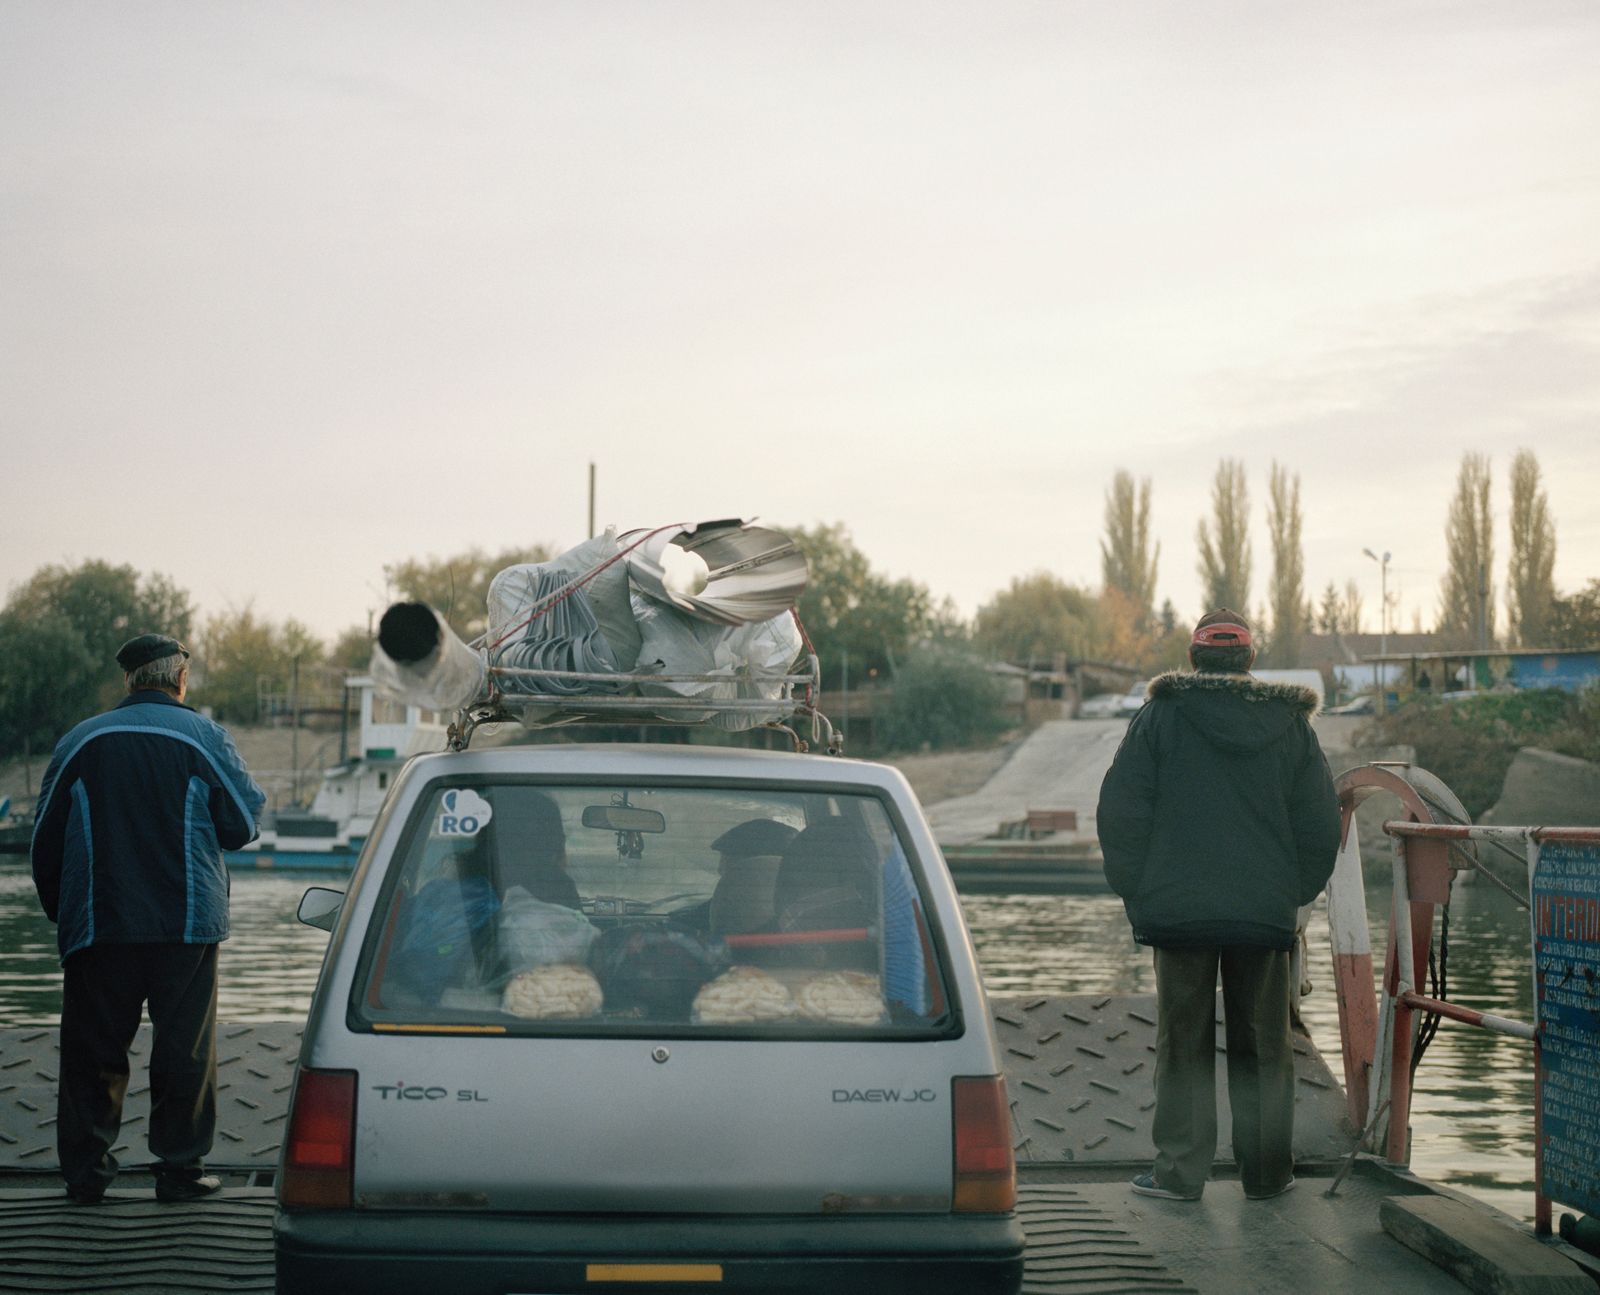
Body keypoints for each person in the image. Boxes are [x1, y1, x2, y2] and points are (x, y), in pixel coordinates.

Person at [1096, 610, 1340, 1202]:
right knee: (1265, 1046)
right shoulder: (1290, 726)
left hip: (1177, 914)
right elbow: (1320, 822)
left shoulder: (1160, 717)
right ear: (1250, 660)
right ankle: (1266, 1174)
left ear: (1194, 658)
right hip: (1262, 914)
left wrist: (1140, 894)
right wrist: (1291, 895)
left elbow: (1120, 813)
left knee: (1183, 1045)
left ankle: (1179, 1175)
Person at [31, 634, 265, 1205]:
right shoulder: (205, 737)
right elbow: (241, 825)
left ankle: (86, 1177)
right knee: (183, 1050)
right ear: (179, 679)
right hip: (185, 924)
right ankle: (180, 1173)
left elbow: (44, 839)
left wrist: (63, 913)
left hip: (99, 922)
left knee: (93, 1051)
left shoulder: (80, 740)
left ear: (130, 681)